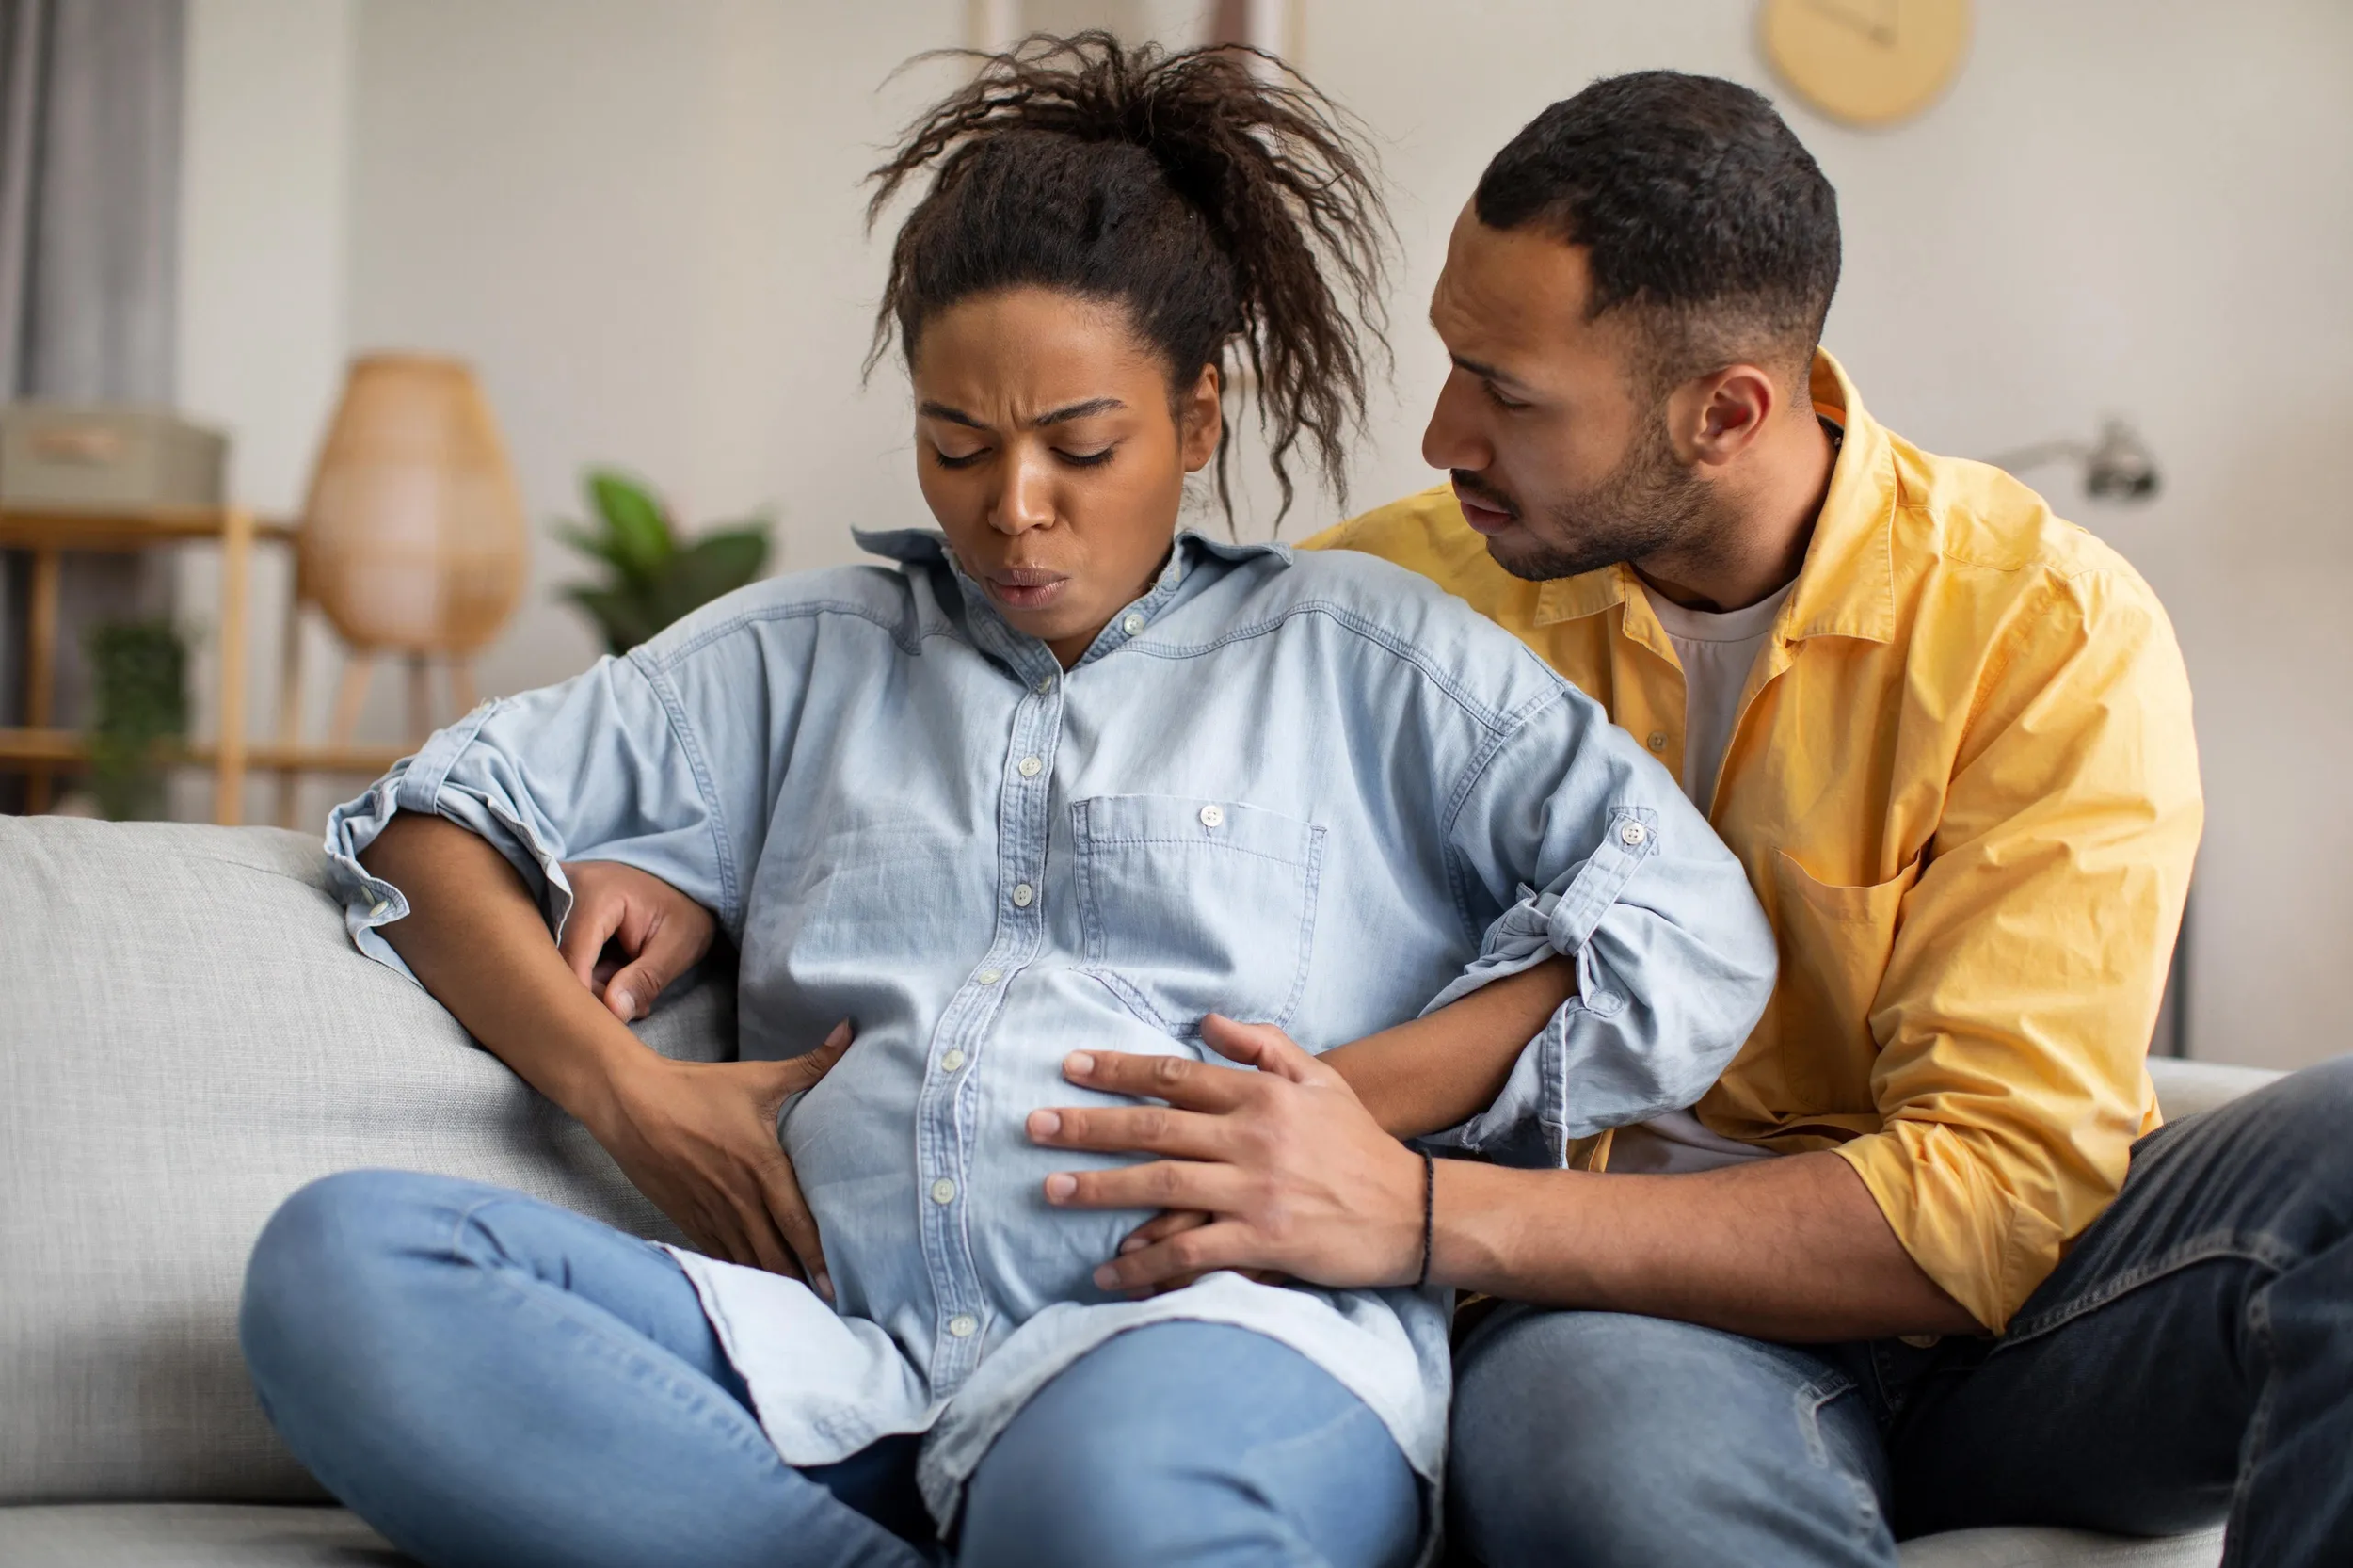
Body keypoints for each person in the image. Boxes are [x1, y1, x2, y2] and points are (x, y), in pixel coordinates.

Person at [235, 40, 1779, 1568]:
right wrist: (625, 1090)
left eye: (1082, 447)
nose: (1011, 507)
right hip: (841, 1365)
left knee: (1104, 1507)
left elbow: (1686, 926)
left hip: (1210, 1342)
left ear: (1198, 418)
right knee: (345, 1268)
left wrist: (1347, 1101)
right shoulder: (804, 655)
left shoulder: (1371, 658)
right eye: (956, 445)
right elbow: (426, 826)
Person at [1029, 71, 2352, 1567]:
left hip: (2016, 1337)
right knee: (1611, 1453)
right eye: (1455, 360)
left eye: (1509, 393)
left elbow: (1991, 1195)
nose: (1441, 432)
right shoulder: (1379, 608)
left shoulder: (2043, 629)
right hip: (1621, 1328)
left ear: (1726, 412)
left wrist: (1418, 1209)